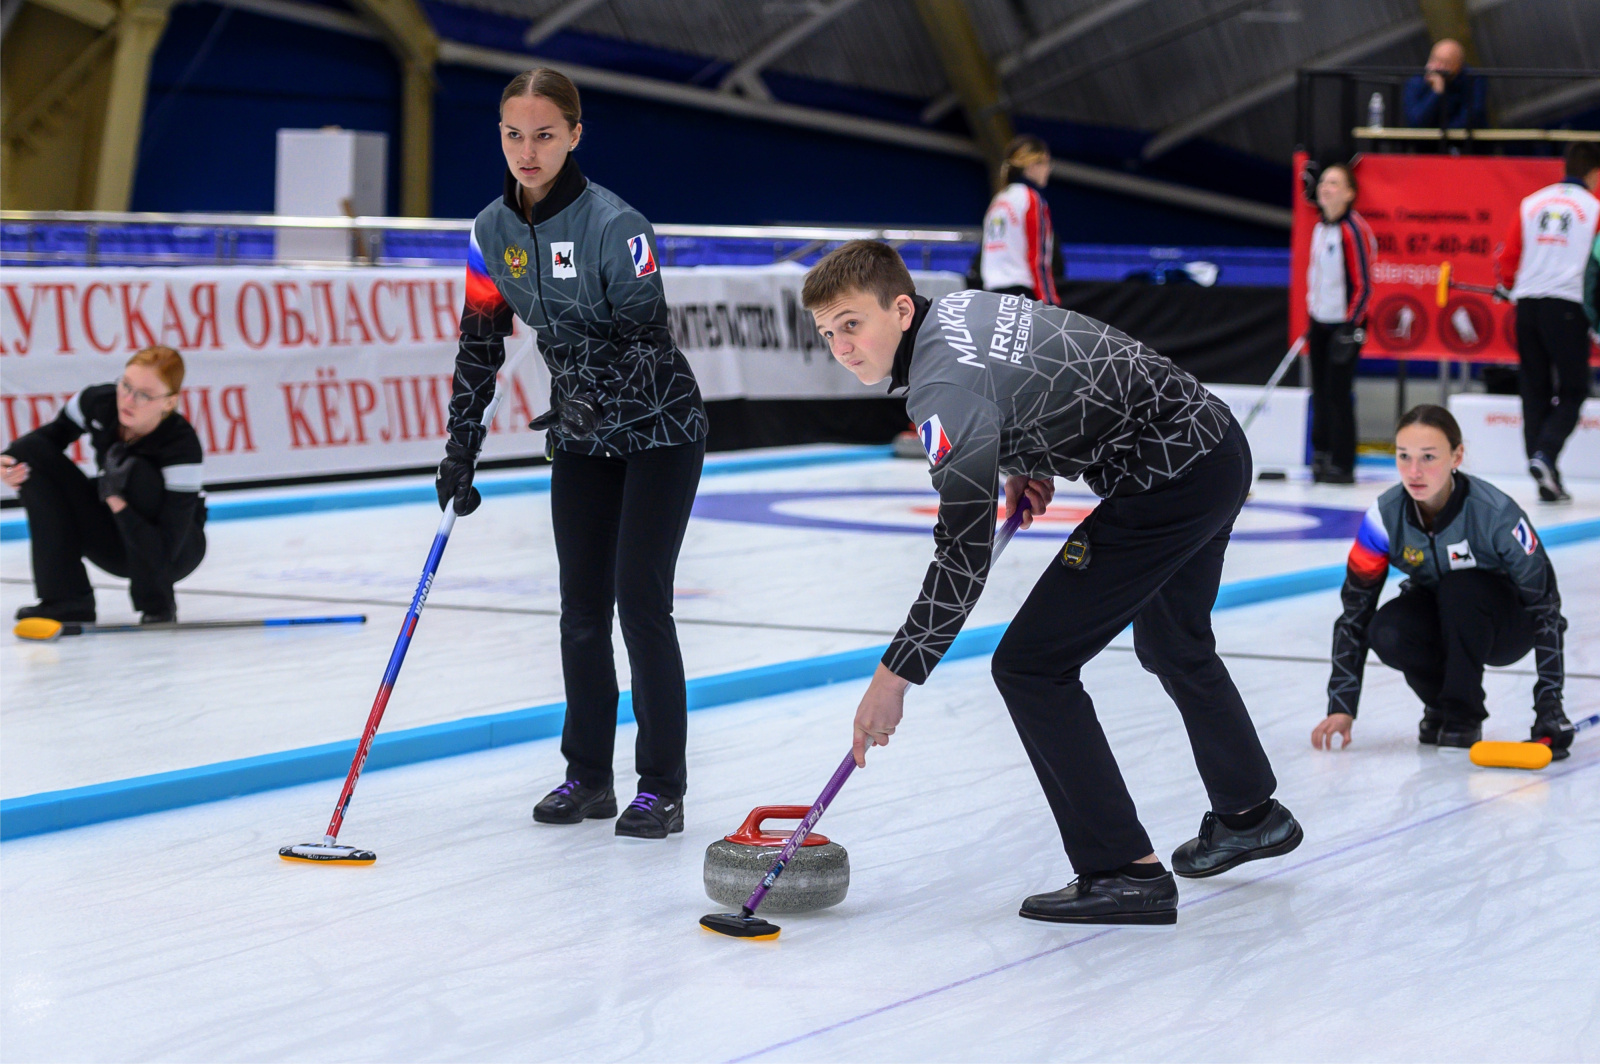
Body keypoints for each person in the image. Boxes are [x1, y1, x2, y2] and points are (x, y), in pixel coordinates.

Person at [802, 240, 1299, 927]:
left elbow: (962, 555)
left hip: (1168, 481)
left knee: (1032, 665)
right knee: (1172, 640)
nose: (842, 346)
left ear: (901, 308)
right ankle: (1251, 814)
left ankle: (1123, 870)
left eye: (852, 324)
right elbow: (1035, 364)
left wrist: (893, 678)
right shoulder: (960, 311)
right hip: (1213, 446)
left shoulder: (940, 387)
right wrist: (1021, 458)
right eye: (828, 334)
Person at [437, 68, 707, 840]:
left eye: (545, 135)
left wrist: (594, 393)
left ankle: (662, 786)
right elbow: (480, 342)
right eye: (514, 134)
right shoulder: (491, 231)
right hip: (582, 434)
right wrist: (462, 445)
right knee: (580, 611)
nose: (528, 151)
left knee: (638, 601)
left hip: (659, 430)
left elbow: (648, 343)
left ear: (575, 135)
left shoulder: (617, 226)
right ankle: (587, 775)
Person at [1314, 405, 1572, 757]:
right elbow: (1354, 612)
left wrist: (1549, 706)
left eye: (1429, 457)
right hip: (1441, 612)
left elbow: (1546, 609)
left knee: (1460, 588)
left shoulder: (1497, 514)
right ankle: (1442, 706)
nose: (1414, 471)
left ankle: (1463, 716)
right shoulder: (1382, 519)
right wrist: (1341, 704)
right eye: (1404, 457)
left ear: (1457, 456)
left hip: (1507, 626)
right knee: (1387, 628)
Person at [1, 346, 206, 624]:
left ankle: (157, 602)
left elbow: (170, 542)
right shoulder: (98, 402)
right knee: (30, 455)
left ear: (168, 403)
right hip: (113, 537)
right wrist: (10, 462)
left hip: (174, 551)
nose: (128, 400)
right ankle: (67, 600)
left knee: (137, 474)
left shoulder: (183, 447)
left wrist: (115, 500)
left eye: (144, 394)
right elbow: (47, 439)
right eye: (125, 386)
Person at [1495, 142, 1600, 502]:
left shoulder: (1532, 202)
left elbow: (1510, 256)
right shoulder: (1596, 209)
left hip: (1527, 306)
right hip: (1567, 306)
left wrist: (1506, 286)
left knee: (1534, 387)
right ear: (1595, 173)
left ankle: (1543, 469)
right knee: (1573, 389)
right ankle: (1547, 453)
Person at [1305, 162, 1376, 484]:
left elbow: (1364, 283)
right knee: (1319, 390)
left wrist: (1351, 326)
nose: (1326, 188)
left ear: (1349, 193)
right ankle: (1321, 452)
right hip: (1319, 320)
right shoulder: (1320, 228)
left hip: (1344, 327)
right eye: (1323, 182)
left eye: (1334, 183)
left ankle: (1343, 462)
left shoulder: (1353, 229)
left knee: (1338, 392)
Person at [979, 135, 1061, 305]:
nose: (1048, 169)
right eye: (1045, 162)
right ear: (1032, 165)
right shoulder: (1031, 199)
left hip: (991, 294)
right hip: (1021, 293)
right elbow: (1038, 257)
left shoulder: (999, 199)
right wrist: (1050, 302)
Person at [1402, 39, 1487, 130]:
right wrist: (1436, 93)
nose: (1436, 67)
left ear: (1458, 66)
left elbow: (1472, 117)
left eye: (1444, 63)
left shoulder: (1472, 79)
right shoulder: (1416, 82)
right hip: (1428, 142)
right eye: (1434, 59)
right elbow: (1416, 122)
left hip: (1463, 141)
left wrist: (1444, 133)